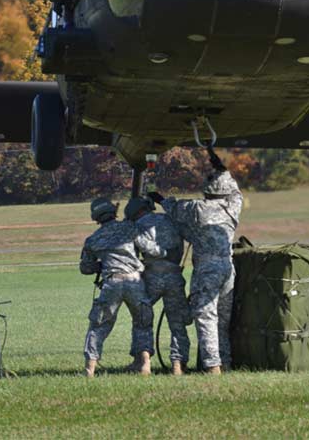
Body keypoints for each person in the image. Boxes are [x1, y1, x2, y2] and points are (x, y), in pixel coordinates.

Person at [150, 148, 243, 374]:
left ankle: (212, 366)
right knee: (222, 320)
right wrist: (220, 166)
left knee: (205, 316)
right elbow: (236, 191)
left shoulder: (198, 209)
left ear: (208, 191)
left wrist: (159, 198)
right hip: (227, 268)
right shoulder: (233, 207)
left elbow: (175, 209)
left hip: (207, 269)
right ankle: (225, 363)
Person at [80, 196, 165, 377]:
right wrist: (165, 252)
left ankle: (90, 369)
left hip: (111, 282)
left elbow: (85, 268)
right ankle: (145, 365)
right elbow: (152, 249)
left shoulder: (93, 239)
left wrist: (102, 265)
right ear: (113, 211)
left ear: (95, 217)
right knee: (143, 322)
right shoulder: (130, 228)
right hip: (135, 281)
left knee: (99, 324)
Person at [125, 196, 191, 376]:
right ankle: (178, 364)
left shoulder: (136, 226)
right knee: (177, 323)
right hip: (174, 276)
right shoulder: (170, 219)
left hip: (151, 275)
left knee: (142, 319)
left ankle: (143, 362)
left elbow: (131, 255)